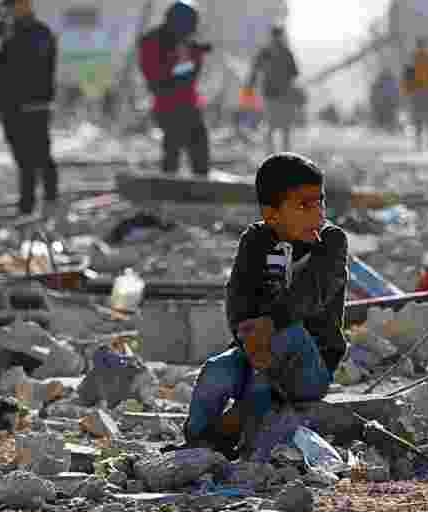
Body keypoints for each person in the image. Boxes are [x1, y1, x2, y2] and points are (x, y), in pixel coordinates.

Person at [177, 152, 348, 459]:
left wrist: (269, 325)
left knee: (287, 335)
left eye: (320, 202)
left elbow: (312, 294)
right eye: (304, 206)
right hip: (255, 350)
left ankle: (237, 430)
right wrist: (248, 337)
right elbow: (238, 299)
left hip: (310, 366)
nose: (318, 214)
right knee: (216, 371)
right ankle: (196, 444)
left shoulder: (331, 242)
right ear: (272, 214)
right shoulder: (256, 240)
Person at [0, 0, 59, 217]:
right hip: (13, 107)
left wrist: (5, 38)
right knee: (23, 159)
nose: (9, 11)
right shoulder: (12, 33)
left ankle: (49, 202)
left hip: (34, 105)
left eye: (13, 6)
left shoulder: (39, 33)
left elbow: (24, 65)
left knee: (40, 156)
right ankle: (27, 206)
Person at [138, 0, 212, 177]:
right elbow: (158, 75)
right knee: (173, 146)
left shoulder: (183, 43)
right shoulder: (153, 42)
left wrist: (192, 56)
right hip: (168, 103)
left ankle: (199, 183)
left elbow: (190, 76)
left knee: (198, 147)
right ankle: (170, 183)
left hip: (187, 103)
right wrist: (185, 58)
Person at [248, 25, 301, 154]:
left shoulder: (267, 51)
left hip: (272, 93)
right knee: (282, 127)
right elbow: (294, 73)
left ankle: (272, 154)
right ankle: (282, 154)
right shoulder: (285, 52)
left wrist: (250, 85)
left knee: (273, 126)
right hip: (280, 94)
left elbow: (255, 70)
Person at [402, 38, 428, 151]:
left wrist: (407, 91)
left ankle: (419, 142)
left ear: (417, 45)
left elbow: (407, 77)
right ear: (425, 45)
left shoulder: (412, 59)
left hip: (416, 92)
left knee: (418, 119)